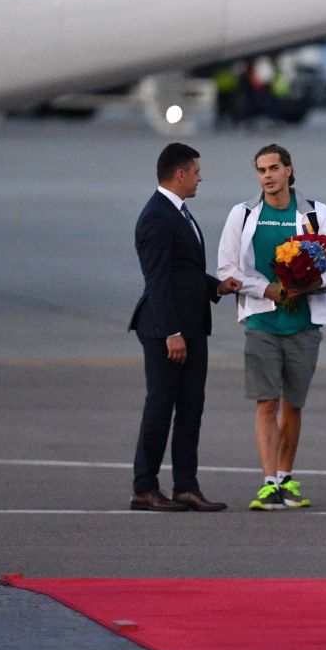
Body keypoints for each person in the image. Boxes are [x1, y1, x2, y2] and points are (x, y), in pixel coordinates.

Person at [217, 144, 326, 511]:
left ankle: (285, 477)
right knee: (267, 403)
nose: (267, 175)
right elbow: (227, 270)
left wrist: (313, 281)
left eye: (274, 168)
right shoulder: (244, 214)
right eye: (261, 169)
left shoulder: (314, 213)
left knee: (293, 404)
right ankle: (267, 483)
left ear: (289, 171)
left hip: (305, 322)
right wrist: (266, 289)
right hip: (261, 319)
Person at [129, 143, 241, 512]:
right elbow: (158, 279)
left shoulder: (177, 212)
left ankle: (185, 486)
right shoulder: (157, 217)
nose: (200, 177)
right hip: (167, 329)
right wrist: (171, 332)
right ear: (179, 174)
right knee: (161, 406)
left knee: (191, 406)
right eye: (195, 171)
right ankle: (144, 486)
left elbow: (184, 272)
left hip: (191, 325)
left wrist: (216, 287)